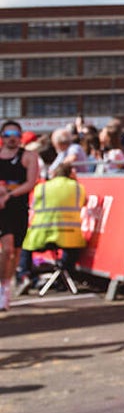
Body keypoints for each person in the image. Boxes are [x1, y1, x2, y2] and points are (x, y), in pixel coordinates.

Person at [19, 160, 87, 292]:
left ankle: (24, 276)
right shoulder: (78, 187)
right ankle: (64, 275)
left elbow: (34, 206)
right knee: (73, 250)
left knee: (25, 247)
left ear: (54, 174)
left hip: (41, 234)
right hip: (68, 236)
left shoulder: (42, 187)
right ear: (70, 174)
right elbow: (84, 202)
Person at [0, 120, 40, 310]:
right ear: (2, 137)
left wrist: (9, 194)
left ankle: (7, 286)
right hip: (2, 209)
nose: (12, 138)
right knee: (6, 249)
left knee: (15, 251)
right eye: (8, 135)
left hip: (18, 207)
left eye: (15, 134)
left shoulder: (28, 156)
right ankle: (2, 288)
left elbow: (31, 182)